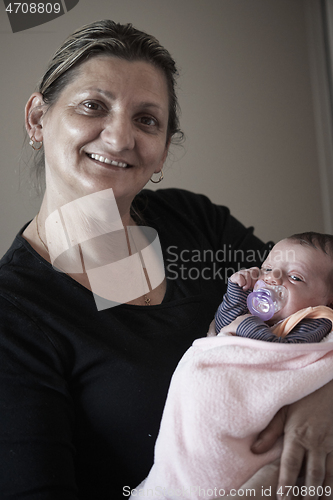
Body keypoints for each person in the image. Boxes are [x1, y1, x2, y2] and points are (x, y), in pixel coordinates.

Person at [0, 19, 332, 499]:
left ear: (161, 153)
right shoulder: (15, 314)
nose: (119, 138)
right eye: (93, 106)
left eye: (146, 119)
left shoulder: (194, 220)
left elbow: (321, 294)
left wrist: (327, 395)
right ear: (37, 119)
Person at [215, 232, 333, 342]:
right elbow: (221, 330)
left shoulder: (316, 319)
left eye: (295, 277)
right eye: (267, 269)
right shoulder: (253, 310)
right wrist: (238, 292)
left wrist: (248, 327)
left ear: (329, 302)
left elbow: (287, 355)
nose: (272, 277)